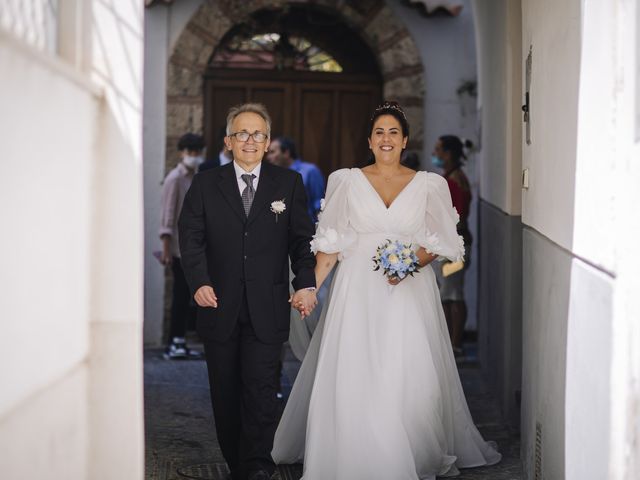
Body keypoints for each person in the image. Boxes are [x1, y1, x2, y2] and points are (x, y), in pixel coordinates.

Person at [272, 101, 501, 479]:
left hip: (409, 291)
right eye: (379, 132)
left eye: (393, 132)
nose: (386, 139)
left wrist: (410, 262)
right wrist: (310, 287)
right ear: (369, 140)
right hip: (356, 289)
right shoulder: (345, 181)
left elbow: (446, 242)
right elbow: (330, 245)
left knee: (404, 366)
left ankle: (406, 448)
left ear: (405, 140)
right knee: (357, 363)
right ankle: (354, 448)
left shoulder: (431, 184)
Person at [178, 103, 318, 480]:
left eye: (258, 134)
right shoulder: (206, 183)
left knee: (261, 388)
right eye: (243, 133)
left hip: (267, 305)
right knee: (224, 392)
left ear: (268, 140)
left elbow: (302, 241)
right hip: (218, 303)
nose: (251, 140)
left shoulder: (287, 184)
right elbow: (190, 238)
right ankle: (238, 461)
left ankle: (256, 465)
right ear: (228, 141)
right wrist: (200, 281)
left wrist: (305, 282)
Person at [159, 133, 205, 359]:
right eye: (190, 152)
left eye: (197, 152)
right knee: (179, 294)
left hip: (192, 247)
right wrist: (166, 249)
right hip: (178, 248)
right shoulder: (175, 178)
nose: (193, 157)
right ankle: (174, 342)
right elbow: (168, 215)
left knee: (187, 294)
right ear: (182, 153)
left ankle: (180, 341)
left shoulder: (195, 177)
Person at [431, 135, 473, 357]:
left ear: (448, 153)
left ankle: (456, 343)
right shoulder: (451, 178)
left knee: (454, 293)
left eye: (438, 149)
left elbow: (457, 215)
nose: (435, 153)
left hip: (454, 246)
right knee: (447, 293)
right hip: (449, 244)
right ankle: (450, 340)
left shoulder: (455, 181)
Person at [266, 137, 325, 223]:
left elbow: (318, 204)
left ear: (286, 153)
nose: (268, 157)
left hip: (306, 228)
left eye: (272, 152)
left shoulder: (310, 171)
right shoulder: (274, 175)